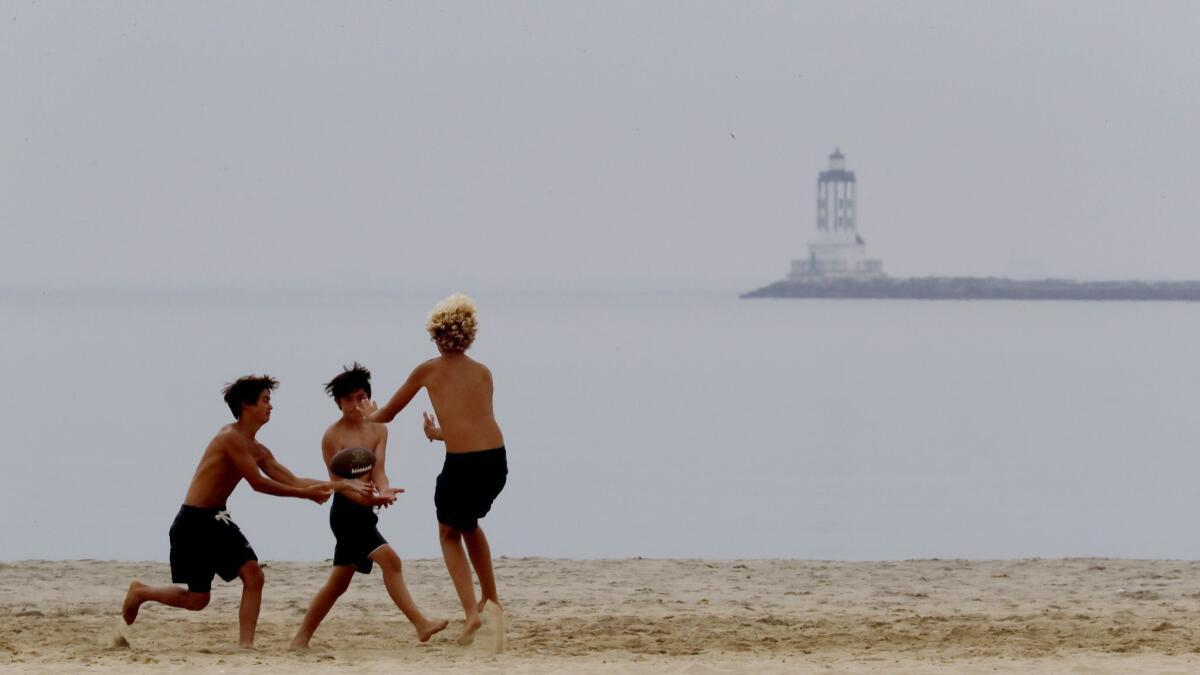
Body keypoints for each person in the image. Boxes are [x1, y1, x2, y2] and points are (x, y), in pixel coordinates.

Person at [120, 375, 364, 649]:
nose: (270, 406)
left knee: (252, 576)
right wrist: (305, 495)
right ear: (246, 405)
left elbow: (293, 479)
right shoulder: (230, 438)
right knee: (199, 599)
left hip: (216, 517)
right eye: (265, 400)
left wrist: (340, 484)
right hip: (194, 521)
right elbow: (258, 484)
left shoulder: (258, 449)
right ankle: (141, 592)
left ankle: (245, 647)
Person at [366, 292, 509, 648]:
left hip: (463, 465)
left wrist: (369, 413)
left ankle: (471, 611)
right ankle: (489, 597)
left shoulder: (428, 370)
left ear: (436, 334)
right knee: (469, 522)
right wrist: (436, 433)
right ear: (468, 334)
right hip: (495, 460)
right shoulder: (483, 373)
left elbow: (389, 414)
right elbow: (473, 425)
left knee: (448, 532)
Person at [290, 364, 448, 649]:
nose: (355, 404)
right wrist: (369, 498)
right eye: (348, 399)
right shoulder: (332, 436)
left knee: (338, 583)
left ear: (369, 398)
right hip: (346, 513)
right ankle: (421, 624)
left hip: (366, 510)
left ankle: (300, 638)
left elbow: (379, 472)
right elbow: (338, 485)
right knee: (391, 560)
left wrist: (385, 491)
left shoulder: (379, 429)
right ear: (338, 402)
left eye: (360, 397)